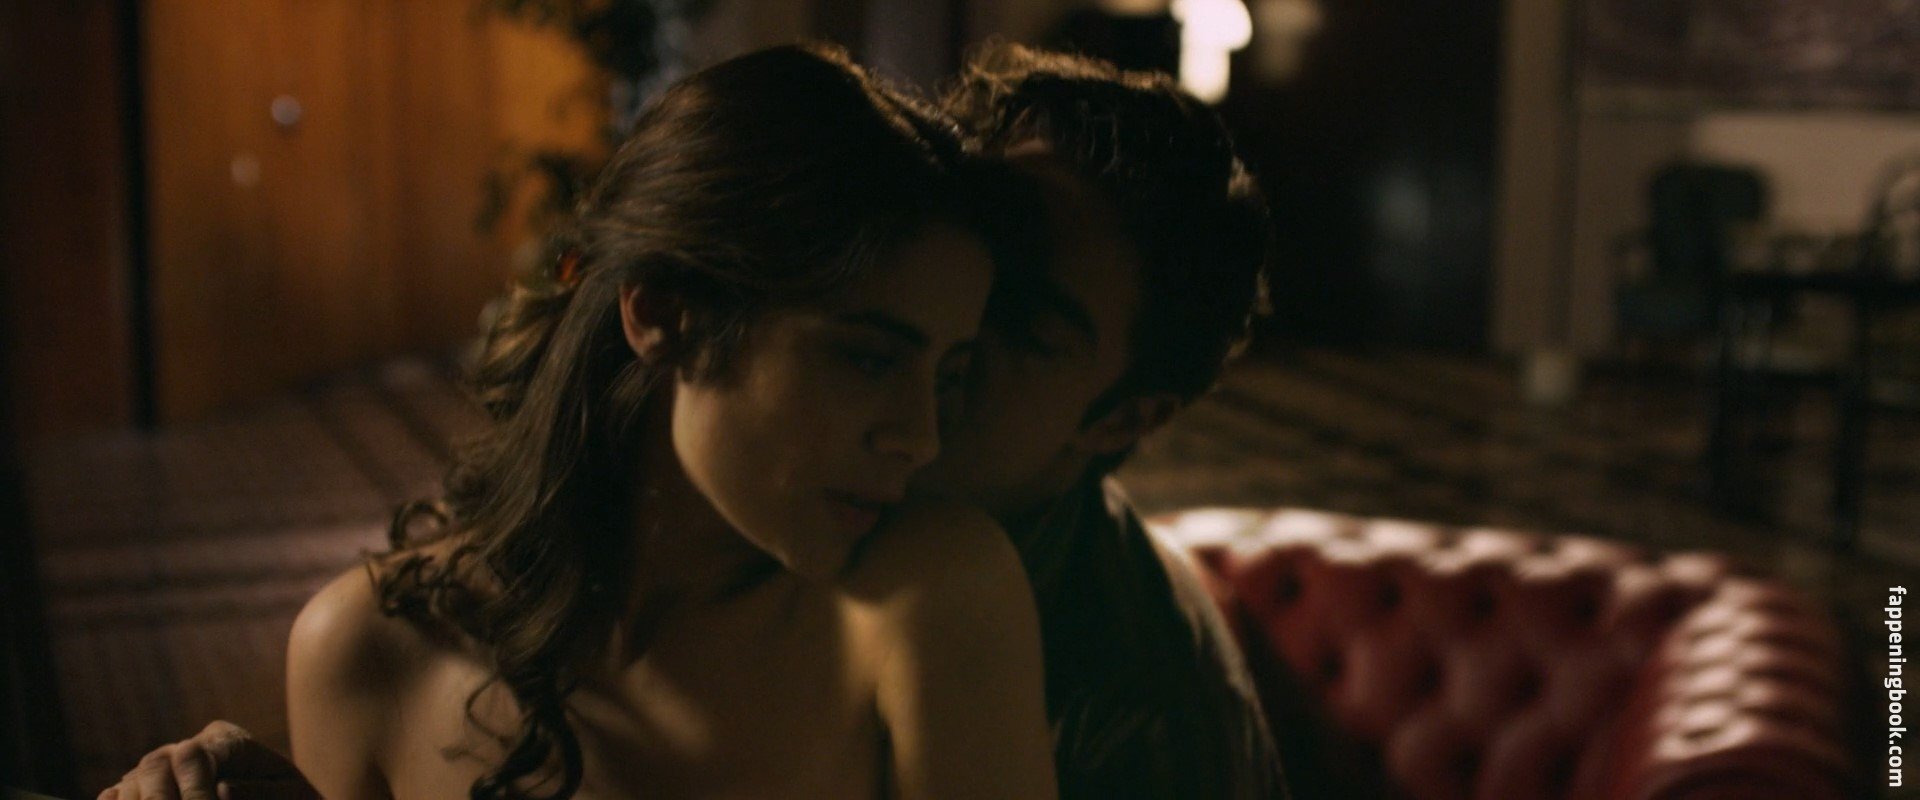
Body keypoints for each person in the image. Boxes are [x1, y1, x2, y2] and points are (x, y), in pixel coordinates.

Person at [105, 43, 1288, 800]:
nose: (922, 429)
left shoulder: (1056, 655)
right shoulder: (369, 642)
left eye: (984, 344)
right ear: (665, 312)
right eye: (872, 351)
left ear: (1123, 415)